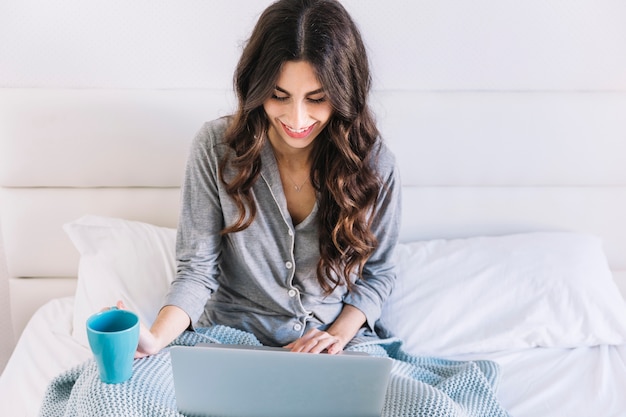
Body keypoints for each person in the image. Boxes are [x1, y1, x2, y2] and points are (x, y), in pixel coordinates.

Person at [124, 0, 401, 358]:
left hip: (334, 347)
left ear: (344, 94)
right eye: (278, 95)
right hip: (229, 341)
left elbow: (378, 274)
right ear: (256, 88)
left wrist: (336, 336)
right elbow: (196, 270)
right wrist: (156, 340)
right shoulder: (215, 148)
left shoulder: (374, 162)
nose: (297, 118)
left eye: (317, 99)